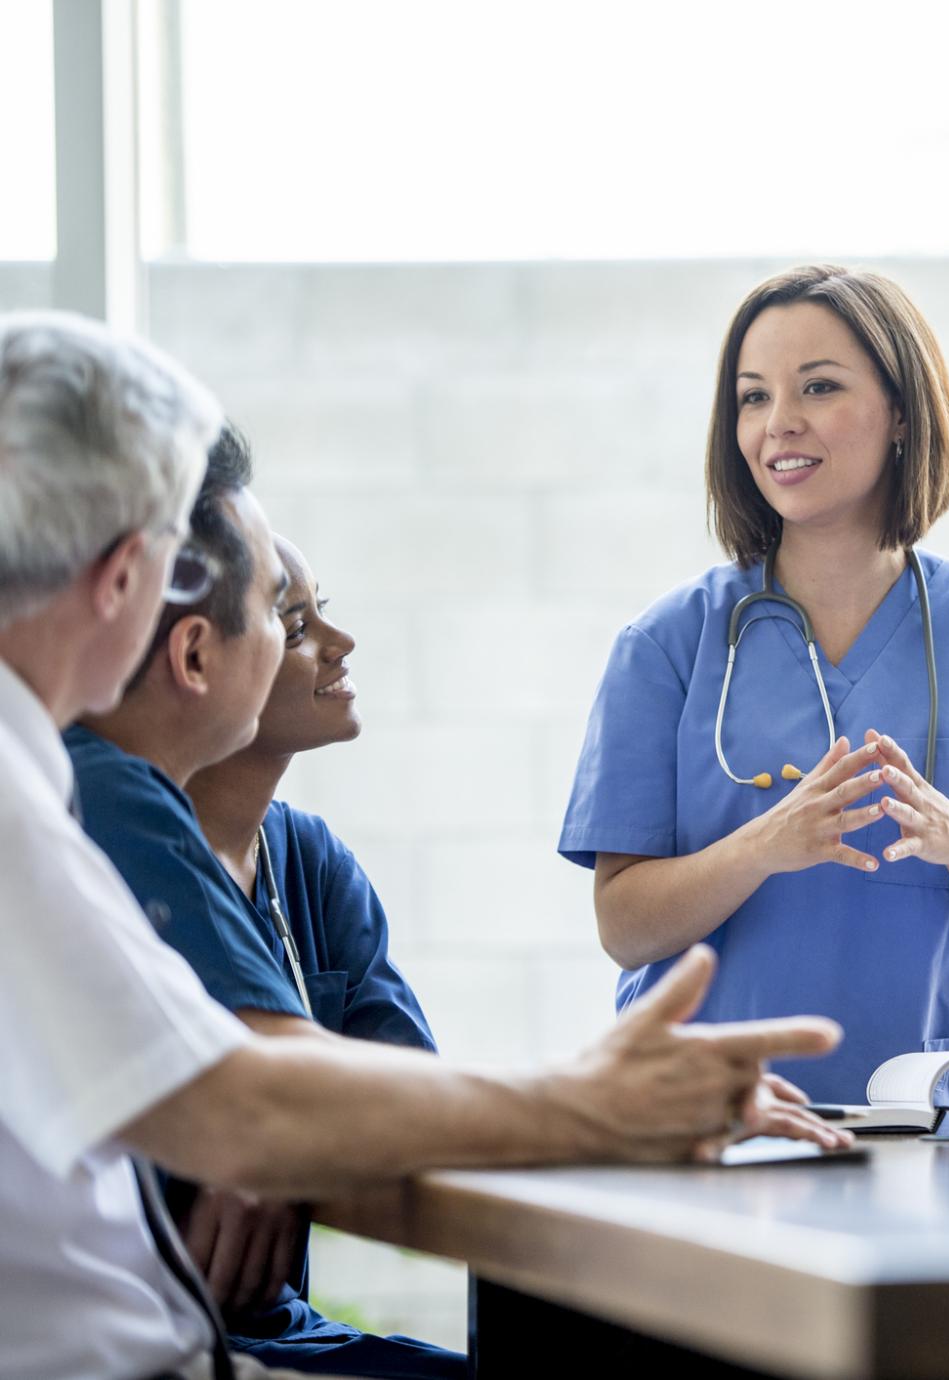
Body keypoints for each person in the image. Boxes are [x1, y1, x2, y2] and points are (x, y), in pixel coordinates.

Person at [0, 310, 847, 1380]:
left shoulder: (73, 786)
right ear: (128, 580)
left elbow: (244, 1093)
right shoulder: (38, 793)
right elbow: (238, 1105)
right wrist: (598, 1100)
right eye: (192, 568)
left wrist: (286, 1126)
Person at [560, 265, 949, 1109]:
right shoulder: (667, 645)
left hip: (932, 1125)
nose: (778, 425)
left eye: (818, 387)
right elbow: (626, 928)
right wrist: (764, 845)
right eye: (753, 398)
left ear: (902, 412)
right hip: (710, 1126)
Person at [72, 424, 452, 1374]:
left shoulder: (310, 860)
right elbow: (289, 1094)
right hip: (165, 1333)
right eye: (289, 618)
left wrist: (287, 1128)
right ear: (194, 657)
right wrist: (279, 1112)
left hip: (270, 1325)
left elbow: (406, 1085)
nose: (337, 641)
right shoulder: (101, 801)